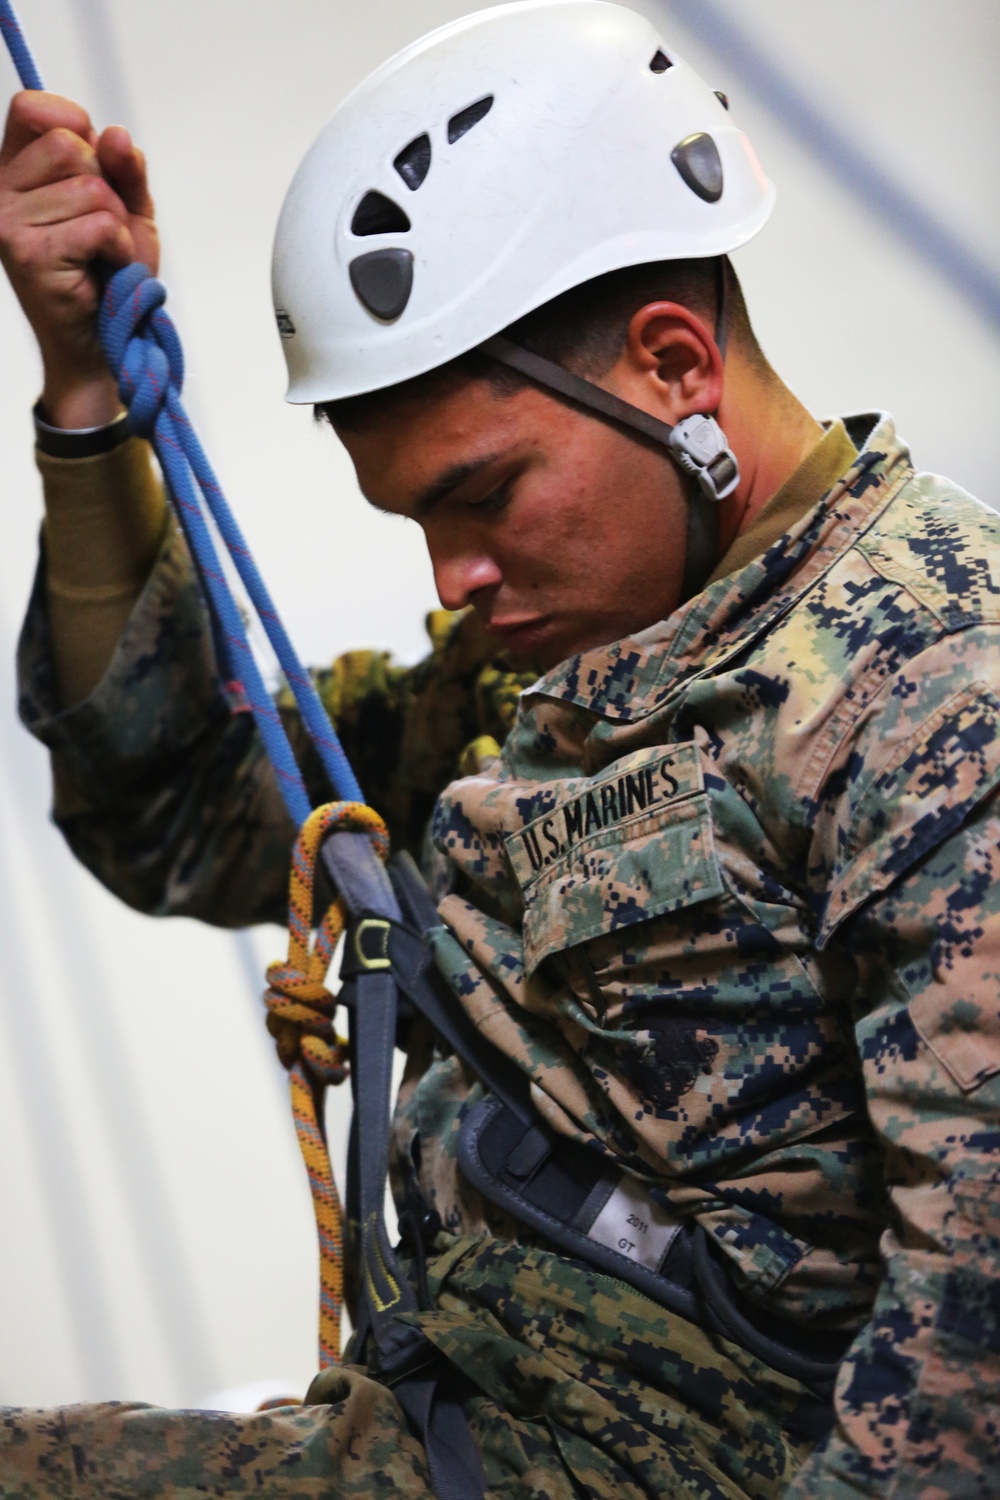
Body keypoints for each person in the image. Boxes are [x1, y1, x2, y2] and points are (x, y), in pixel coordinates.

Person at [0, 3, 997, 1496]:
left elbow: (968, 1339)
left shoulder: (932, 688)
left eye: (485, 496)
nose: (450, 579)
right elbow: (185, 813)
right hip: (441, 1419)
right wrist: (90, 397)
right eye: (419, 523)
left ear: (674, 364)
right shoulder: (563, 659)